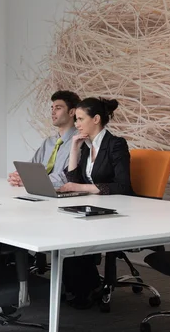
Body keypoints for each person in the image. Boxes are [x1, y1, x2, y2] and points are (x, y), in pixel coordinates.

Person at [57, 97, 134, 309]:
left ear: (97, 119)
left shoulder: (116, 144)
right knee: (67, 229)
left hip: (119, 210)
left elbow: (122, 186)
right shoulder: (86, 146)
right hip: (94, 207)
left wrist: (81, 189)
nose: (76, 124)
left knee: (75, 236)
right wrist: (74, 147)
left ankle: (84, 289)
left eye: (80, 119)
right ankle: (79, 287)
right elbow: (74, 181)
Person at [8, 90, 80, 188]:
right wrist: (18, 175)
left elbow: (65, 178)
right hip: (41, 191)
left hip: (62, 195)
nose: (53, 112)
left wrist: (30, 181)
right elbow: (32, 166)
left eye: (58, 108)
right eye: (52, 108)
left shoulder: (79, 142)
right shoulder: (49, 142)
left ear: (72, 112)